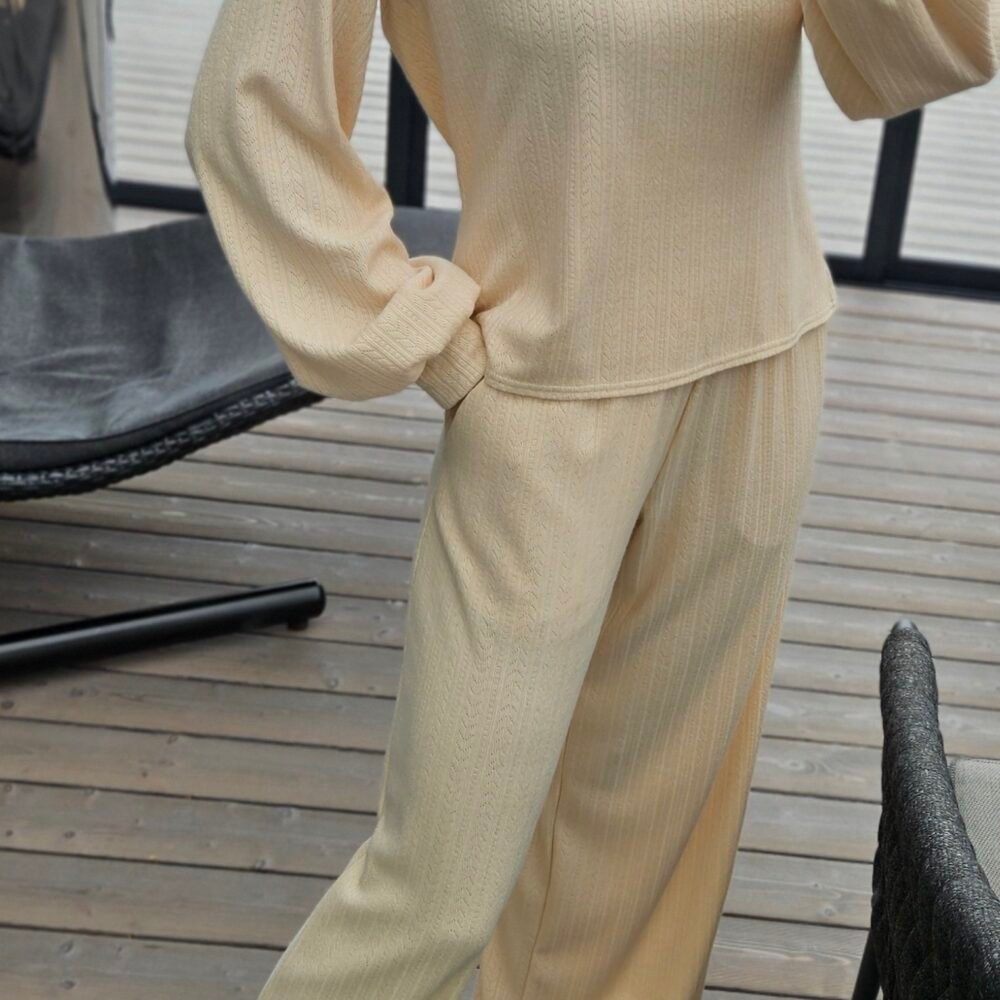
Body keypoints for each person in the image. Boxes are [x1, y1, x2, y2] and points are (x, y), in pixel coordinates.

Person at [184, 2, 999, 997]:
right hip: (539, 397)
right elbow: (251, 106)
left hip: (760, 370)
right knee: (434, 891)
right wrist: (421, 337)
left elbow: (923, 51)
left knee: (642, 882)